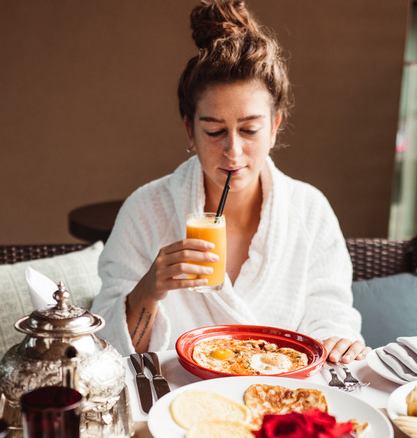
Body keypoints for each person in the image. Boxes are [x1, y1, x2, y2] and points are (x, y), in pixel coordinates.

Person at [90, 0, 370, 364]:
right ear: (190, 131)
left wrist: (339, 340)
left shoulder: (309, 210)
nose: (232, 151)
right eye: (214, 131)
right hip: (177, 406)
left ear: (274, 128)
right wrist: (149, 289)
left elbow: (331, 314)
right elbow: (106, 353)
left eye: (249, 129)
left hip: (280, 400)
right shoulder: (146, 210)